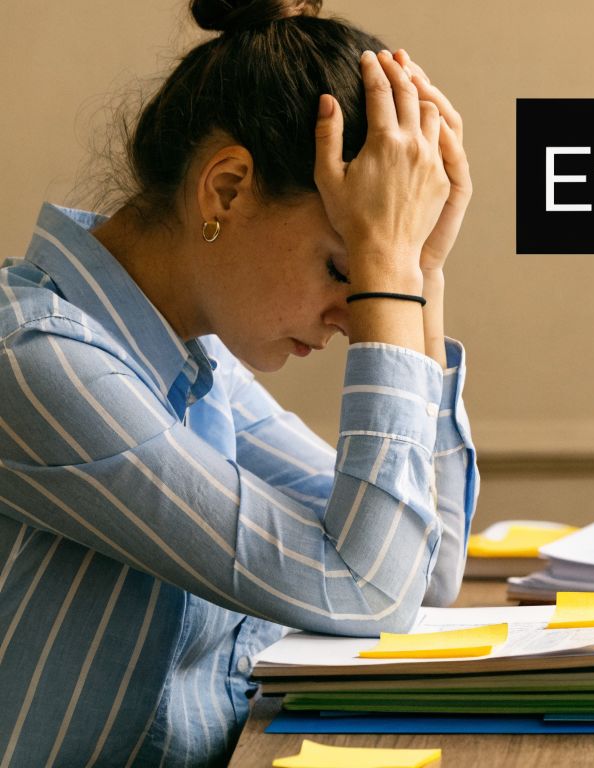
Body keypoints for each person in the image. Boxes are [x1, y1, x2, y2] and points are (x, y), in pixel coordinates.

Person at [0, 0, 477, 764]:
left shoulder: (195, 362)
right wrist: (391, 270)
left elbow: (427, 566)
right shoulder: (32, 363)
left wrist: (418, 268)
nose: (360, 321)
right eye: (343, 272)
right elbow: (367, 586)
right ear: (226, 189)